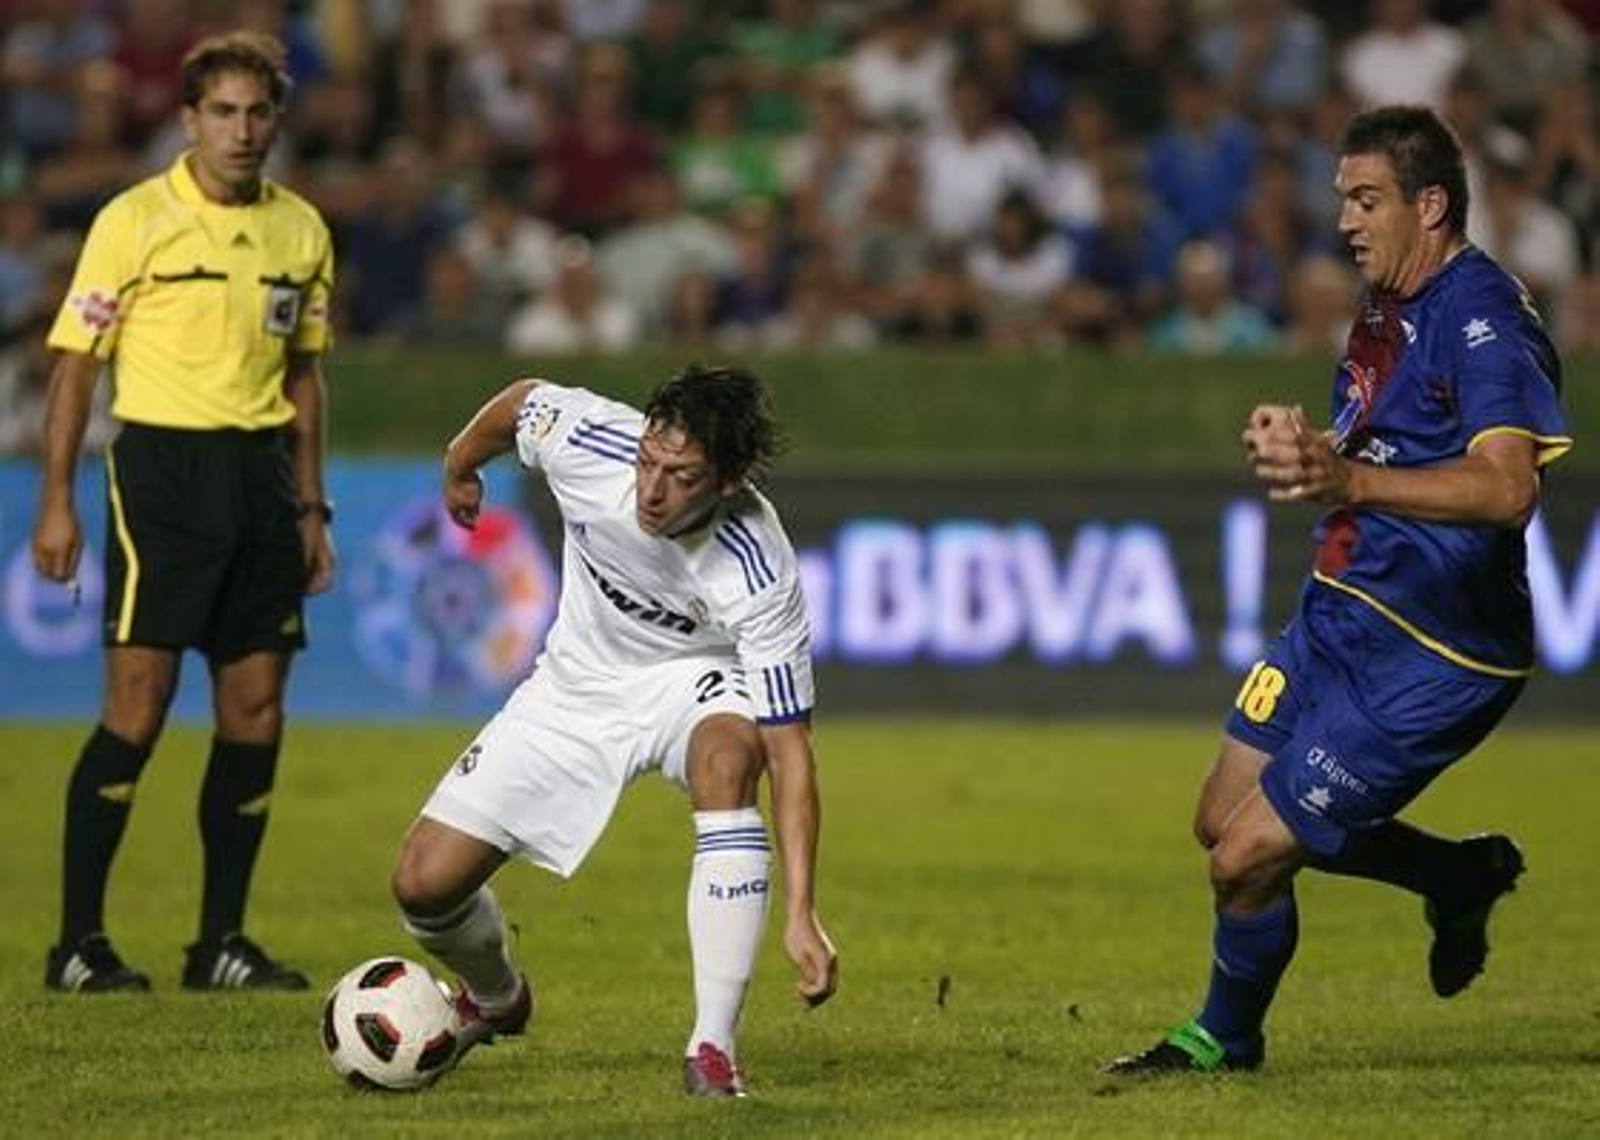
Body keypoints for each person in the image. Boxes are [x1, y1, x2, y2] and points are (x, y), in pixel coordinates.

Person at [1106, 104, 1571, 1076]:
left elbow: (1506, 487)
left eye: (1365, 200)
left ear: (1430, 204)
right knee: (1217, 819)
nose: (1347, 222)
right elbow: (1381, 445)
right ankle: (1451, 872)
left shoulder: (1483, 322)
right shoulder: (1379, 304)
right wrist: (1310, 448)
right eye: (1341, 201)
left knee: (1243, 859)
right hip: (1340, 607)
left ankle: (1222, 1040)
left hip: (1435, 653)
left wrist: (1350, 480)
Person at [390, 364, 839, 1097]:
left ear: (727, 482)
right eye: (649, 461)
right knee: (422, 886)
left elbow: (792, 754)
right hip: (573, 685)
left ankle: (711, 1049)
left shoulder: (758, 567)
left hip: (693, 683)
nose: (652, 490)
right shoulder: (589, 438)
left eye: (682, 476)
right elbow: (519, 403)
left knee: (733, 755)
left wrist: (802, 911)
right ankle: (498, 999)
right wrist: (460, 462)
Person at [31, 31, 335, 993]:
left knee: (255, 708)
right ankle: (78, 944)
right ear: (188, 120)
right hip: (159, 474)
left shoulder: (303, 232)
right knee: (140, 703)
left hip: (260, 481)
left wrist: (313, 507)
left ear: (276, 121)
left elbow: (305, 377)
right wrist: (57, 504)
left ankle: (220, 946)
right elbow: (75, 367)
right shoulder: (133, 222)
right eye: (223, 113)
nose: (241, 132)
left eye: (256, 114)